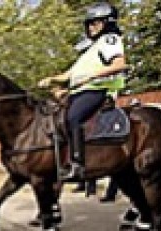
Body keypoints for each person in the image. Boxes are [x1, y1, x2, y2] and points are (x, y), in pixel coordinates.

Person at [38, 2, 127, 181]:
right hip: (82, 91)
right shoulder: (91, 49)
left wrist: (91, 77)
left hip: (97, 90)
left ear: (108, 23)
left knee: (73, 117)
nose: (91, 27)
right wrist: (52, 80)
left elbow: (119, 64)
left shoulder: (110, 40)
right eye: (89, 24)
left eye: (96, 23)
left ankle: (77, 164)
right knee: (54, 115)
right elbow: (69, 75)